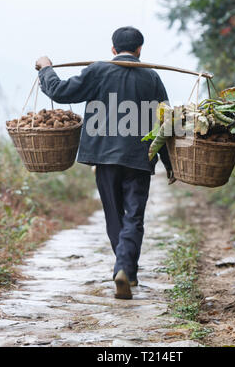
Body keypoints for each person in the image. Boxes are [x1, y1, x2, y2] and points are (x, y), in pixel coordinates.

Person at [36, 26, 175, 300]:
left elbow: (61, 92)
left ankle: (124, 269)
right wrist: (170, 163)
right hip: (140, 158)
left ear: (113, 50)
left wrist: (45, 69)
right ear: (139, 50)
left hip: (105, 158)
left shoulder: (98, 71)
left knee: (115, 215)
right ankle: (125, 268)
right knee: (134, 217)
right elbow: (166, 123)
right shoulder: (151, 78)